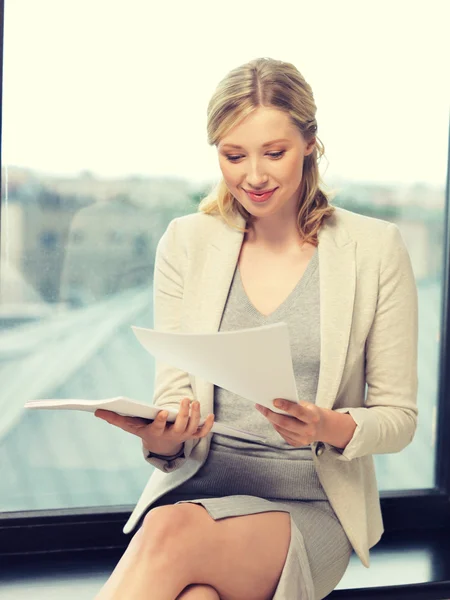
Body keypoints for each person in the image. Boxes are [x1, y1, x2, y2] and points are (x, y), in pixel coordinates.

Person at [93, 57, 418, 600]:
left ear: (310, 143)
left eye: (274, 152)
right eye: (233, 155)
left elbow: (399, 419)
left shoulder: (373, 249)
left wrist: (325, 425)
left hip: (312, 505)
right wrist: (163, 435)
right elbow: (175, 394)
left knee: (169, 531)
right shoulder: (187, 242)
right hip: (200, 489)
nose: (255, 176)